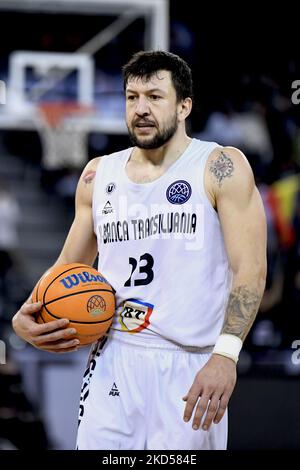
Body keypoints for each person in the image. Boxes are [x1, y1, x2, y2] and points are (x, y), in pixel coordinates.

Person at [12, 50, 267, 450]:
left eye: (154, 96)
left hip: (190, 362)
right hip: (113, 356)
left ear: (184, 105)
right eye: (132, 97)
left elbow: (250, 268)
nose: (141, 109)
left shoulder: (220, 166)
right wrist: (27, 316)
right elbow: (68, 266)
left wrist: (226, 355)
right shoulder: (98, 174)